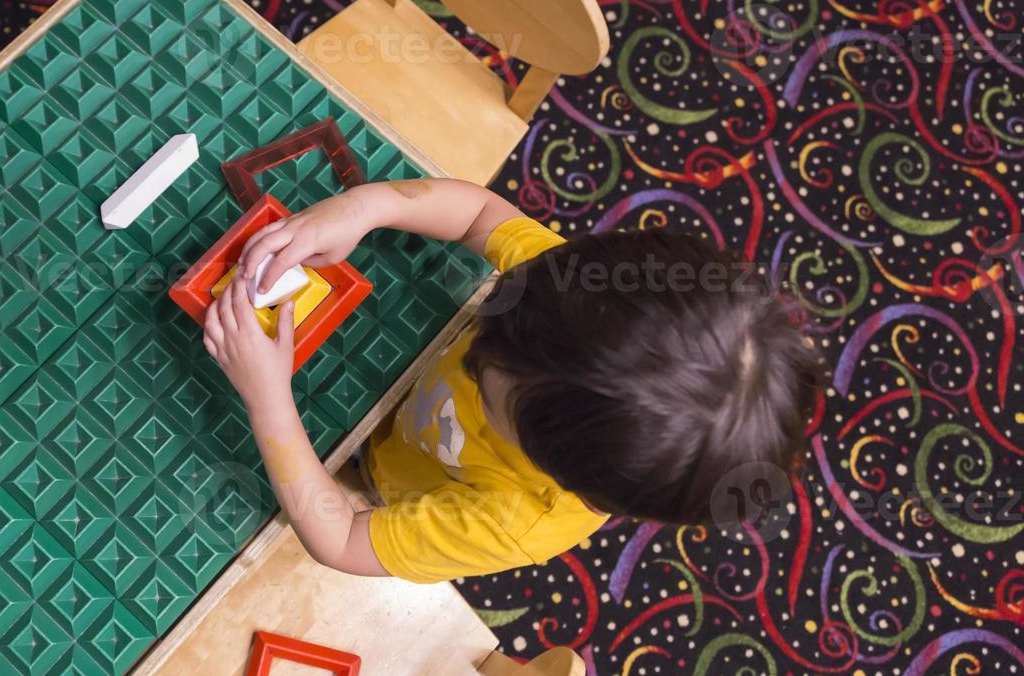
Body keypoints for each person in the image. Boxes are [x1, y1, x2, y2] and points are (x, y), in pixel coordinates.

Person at [201, 179, 823, 582]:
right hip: (398, 387)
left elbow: (339, 539)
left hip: (376, 481)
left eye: (491, 388)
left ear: (556, 468)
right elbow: (477, 212)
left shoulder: (514, 522)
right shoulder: (576, 301)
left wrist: (267, 398)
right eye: (501, 316)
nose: (476, 357)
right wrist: (364, 208)